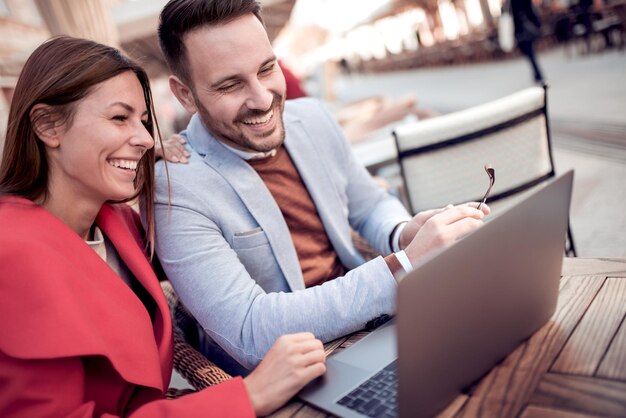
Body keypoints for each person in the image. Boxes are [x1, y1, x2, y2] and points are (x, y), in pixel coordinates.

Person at [154, 0, 490, 373]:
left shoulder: (312, 118)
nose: (263, 99)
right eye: (231, 85)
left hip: (377, 327)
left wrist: (404, 233)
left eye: (268, 69)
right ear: (185, 95)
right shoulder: (174, 187)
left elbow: (370, 205)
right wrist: (401, 267)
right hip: (296, 372)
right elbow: (249, 331)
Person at [0, 36, 326, 417]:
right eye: (119, 118)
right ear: (47, 125)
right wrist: (246, 398)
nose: (144, 138)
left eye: (142, 121)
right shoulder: (13, 254)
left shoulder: (116, 223)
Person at [511, 0, 545, 83]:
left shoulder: (511, 2)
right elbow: (530, 11)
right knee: (530, 53)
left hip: (523, 30)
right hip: (525, 28)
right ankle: (537, 74)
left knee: (530, 53)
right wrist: (537, 25)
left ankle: (538, 74)